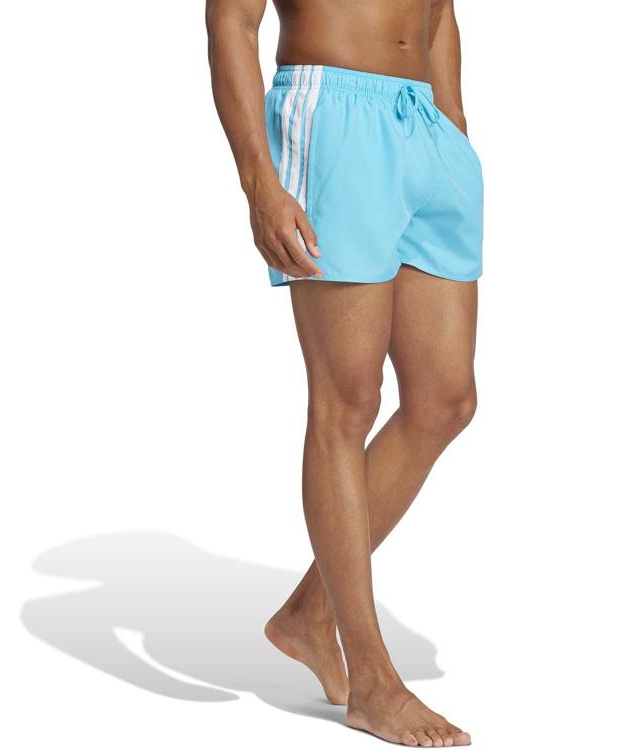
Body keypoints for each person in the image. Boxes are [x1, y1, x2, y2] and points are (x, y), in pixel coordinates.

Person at [206, 1, 482, 745]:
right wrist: (259, 180)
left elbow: (440, 12)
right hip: (334, 113)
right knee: (346, 403)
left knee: (445, 402)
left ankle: (308, 615)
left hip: (424, 124)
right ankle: (373, 683)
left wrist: (453, 129)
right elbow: (231, 20)